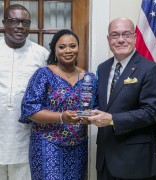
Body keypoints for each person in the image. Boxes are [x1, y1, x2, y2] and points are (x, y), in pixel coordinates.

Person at [87, 17, 156, 180]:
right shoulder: (103, 68)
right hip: (105, 159)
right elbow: (105, 105)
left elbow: (152, 112)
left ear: (135, 38)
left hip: (134, 161)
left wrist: (112, 119)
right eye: (115, 35)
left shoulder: (150, 69)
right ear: (108, 39)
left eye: (126, 34)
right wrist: (88, 115)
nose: (120, 39)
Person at [19, 29, 97, 180]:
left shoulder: (89, 77)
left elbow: (95, 108)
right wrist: (61, 117)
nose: (68, 50)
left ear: (78, 48)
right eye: (62, 47)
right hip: (47, 144)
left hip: (78, 147)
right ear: (55, 50)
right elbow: (29, 109)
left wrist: (90, 118)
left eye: (72, 46)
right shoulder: (44, 74)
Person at [0, 4, 49, 180]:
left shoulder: (41, 54)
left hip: (25, 137)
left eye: (25, 22)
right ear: (4, 23)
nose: (20, 26)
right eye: (14, 21)